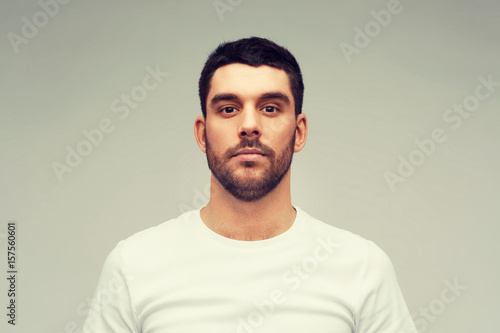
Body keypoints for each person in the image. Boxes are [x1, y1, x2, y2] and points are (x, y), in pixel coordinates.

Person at [82, 36, 417, 332]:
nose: (249, 125)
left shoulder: (362, 268)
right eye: (229, 109)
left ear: (298, 132)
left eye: (270, 108)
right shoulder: (134, 265)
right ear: (202, 133)